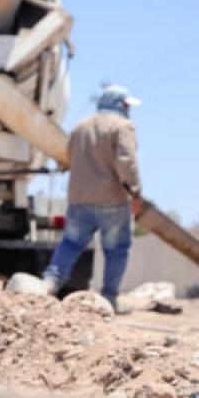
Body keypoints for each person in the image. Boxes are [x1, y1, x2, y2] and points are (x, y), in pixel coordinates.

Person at [42, 84, 143, 313]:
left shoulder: (80, 127)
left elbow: (68, 157)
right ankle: (108, 299)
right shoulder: (123, 126)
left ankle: (50, 283)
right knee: (116, 249)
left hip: (78, 198)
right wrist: (135, 191)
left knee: (70, 243)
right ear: (121, 104)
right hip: (111, 199)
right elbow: (126, 161)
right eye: (127, 105)